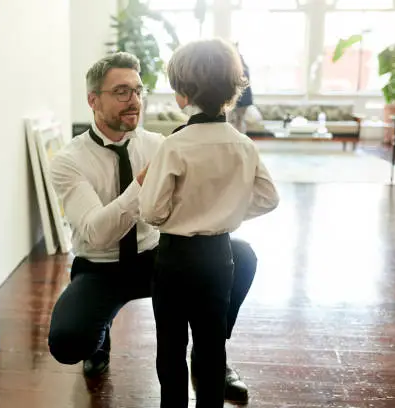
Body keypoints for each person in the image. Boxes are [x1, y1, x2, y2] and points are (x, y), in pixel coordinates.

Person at [47, 51, 258, 404]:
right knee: (69, 343)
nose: (134, 101)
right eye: (121, 92)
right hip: (100, 268)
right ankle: (99, 345)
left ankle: (209, 356)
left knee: (240, 255)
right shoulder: (69, 162)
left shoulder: (160, 145)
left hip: (157, 258)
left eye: (138, 90)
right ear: (92, 100)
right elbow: (97, 233)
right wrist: (142, 184)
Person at [138, 39, 279, 408]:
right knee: (212, 344)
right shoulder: (243, 144)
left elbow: (152, 212)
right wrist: (228, 212)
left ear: (183, 95)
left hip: (175, 259)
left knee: (170, 345)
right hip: (219, 257)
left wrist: (180, 215)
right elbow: (268, 198)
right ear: (232, 93)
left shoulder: (175, 145)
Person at [231, 43, 253, 133]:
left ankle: (239, 136)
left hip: (242, 95)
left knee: (238, 119)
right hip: (243, 95)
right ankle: (240, 136)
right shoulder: (240, 62)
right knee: (238, 119)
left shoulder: (237, 62)